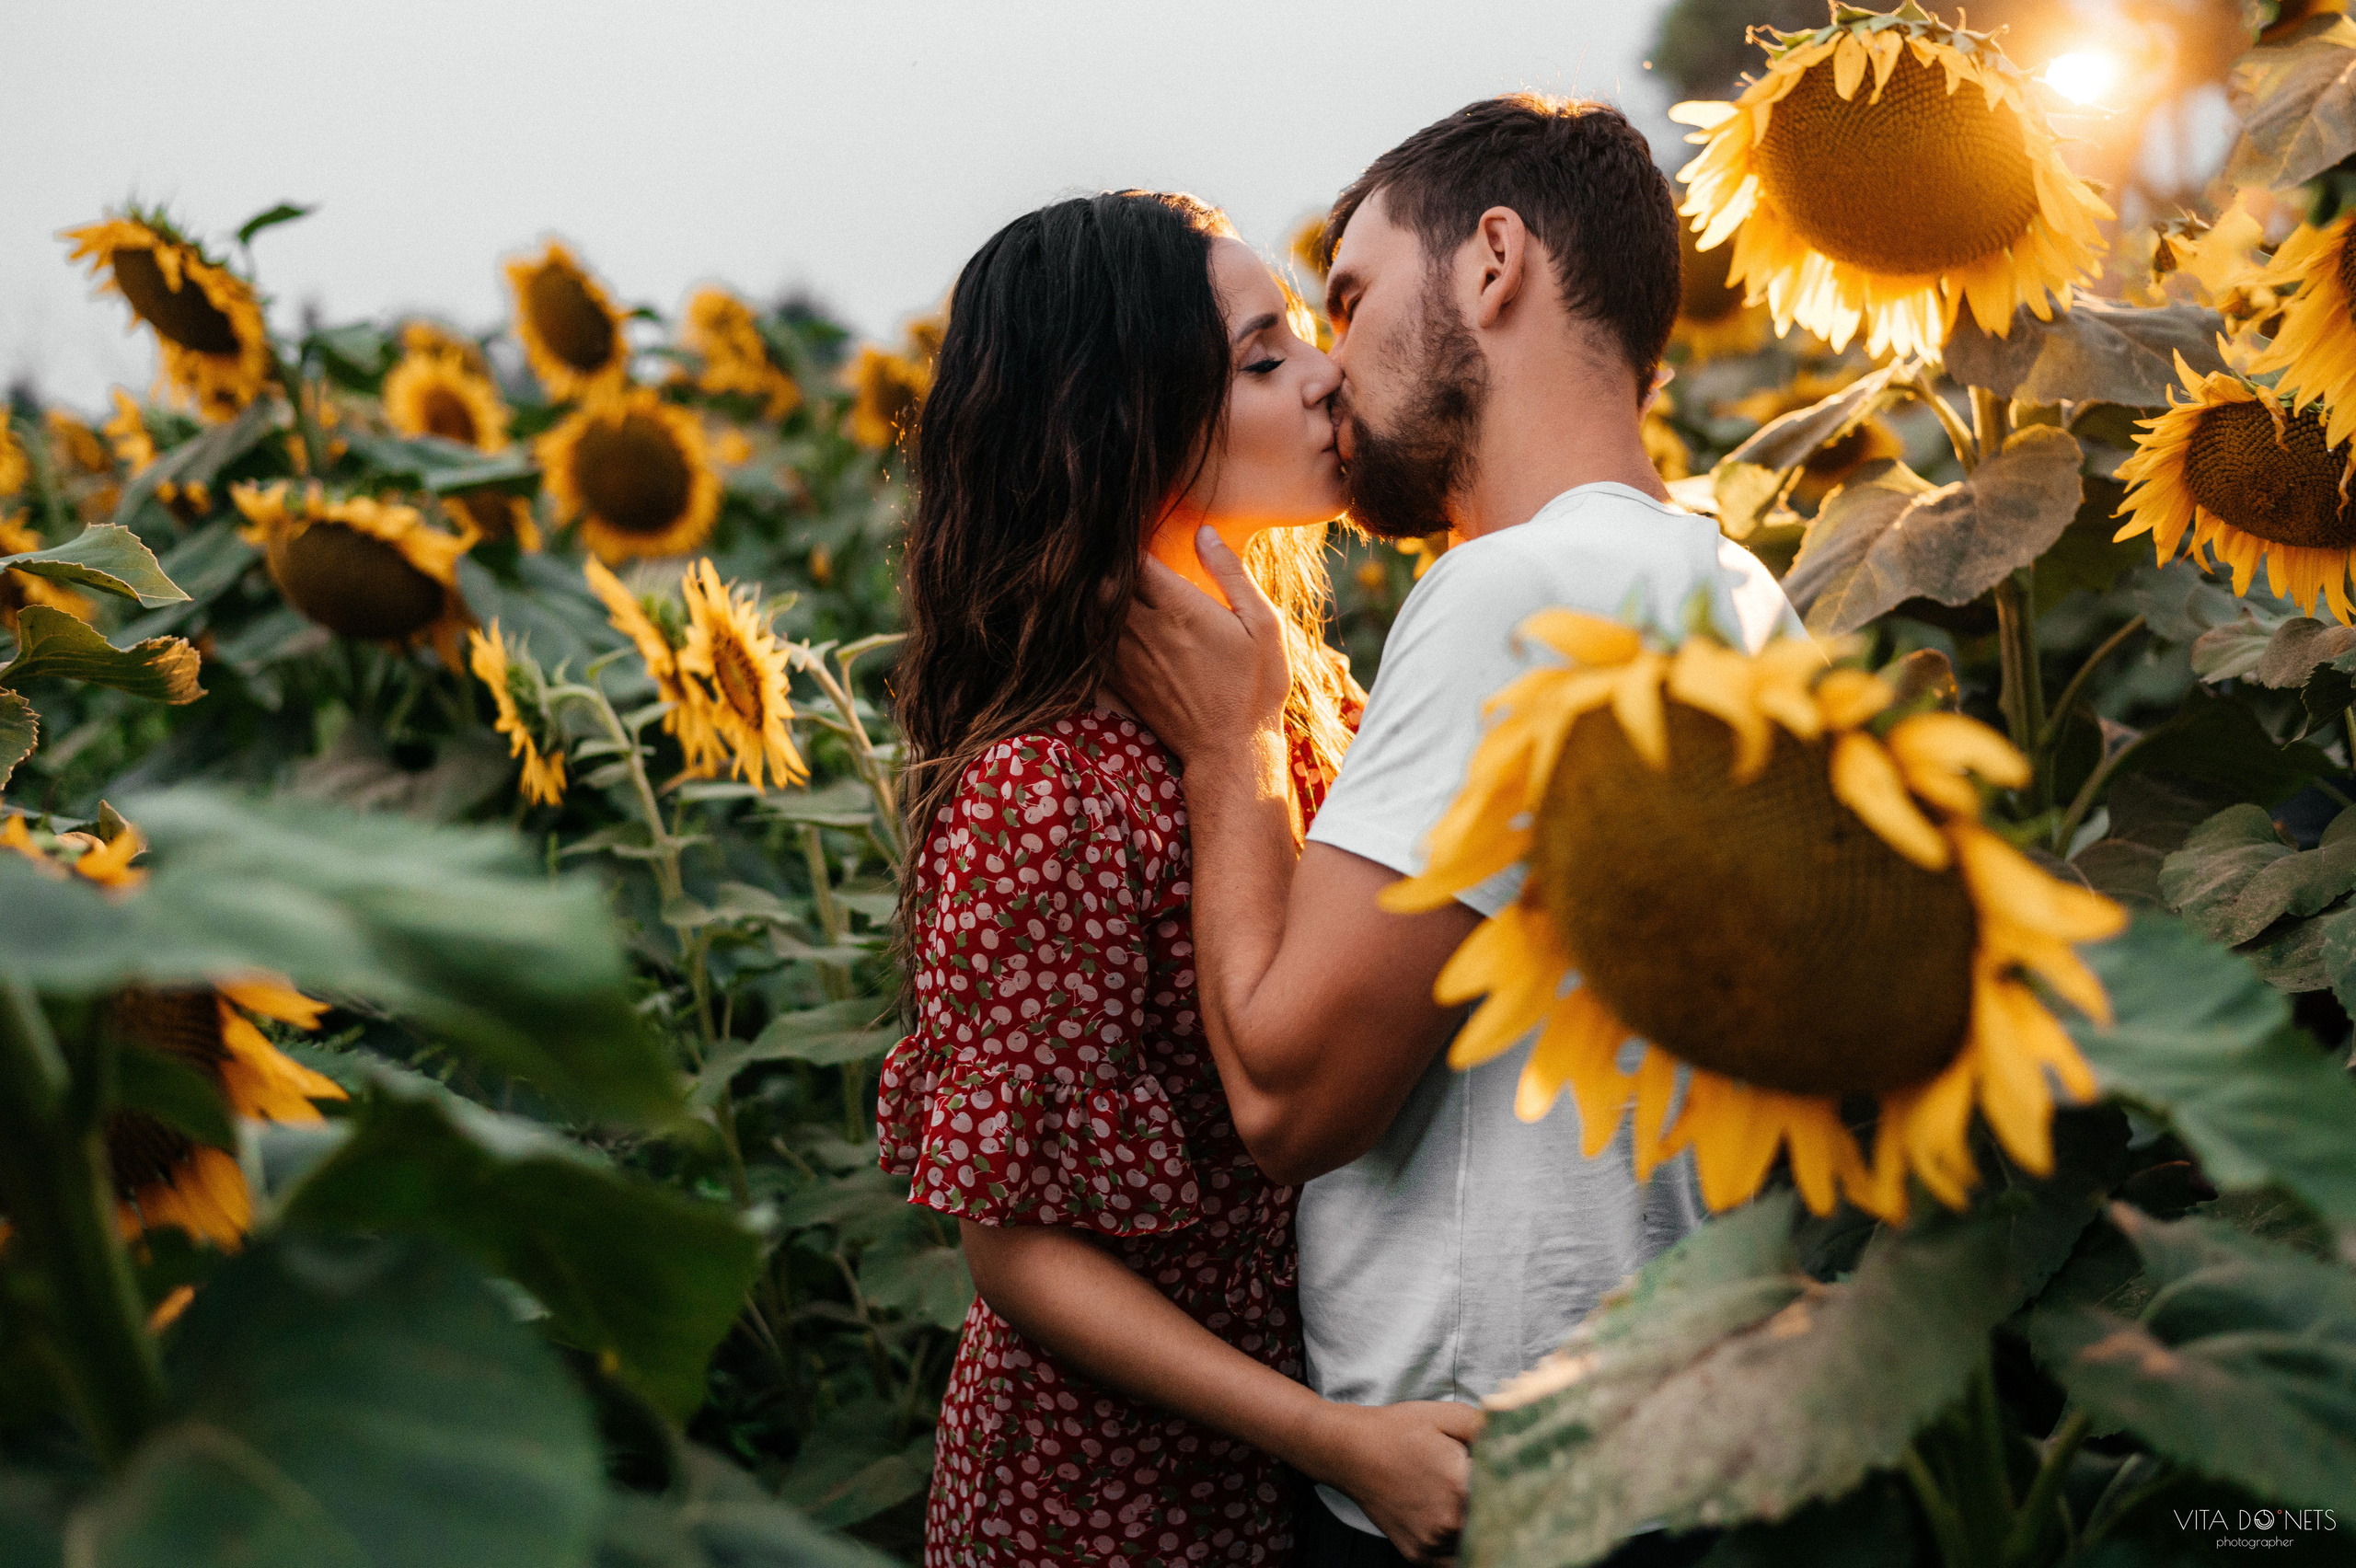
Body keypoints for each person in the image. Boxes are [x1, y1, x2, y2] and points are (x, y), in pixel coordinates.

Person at [1113, 97, 1804, 1568]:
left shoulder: (1511, 595)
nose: (1329, 369)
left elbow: (1294, 1102)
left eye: (1350, 297)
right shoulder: (1742, 593)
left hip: (1483, 1486)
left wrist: (1228, 748)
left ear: (1495, 262)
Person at [878, 190, 1478, 1568]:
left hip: (1298, 1453)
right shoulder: (1046, 791)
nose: (1327, 371)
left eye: (1304, 336)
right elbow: (1017, 1253)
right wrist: (1332, 1441)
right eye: (1264, 359)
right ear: (1122, 431)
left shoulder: (1288, 686)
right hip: (1110, 1506)